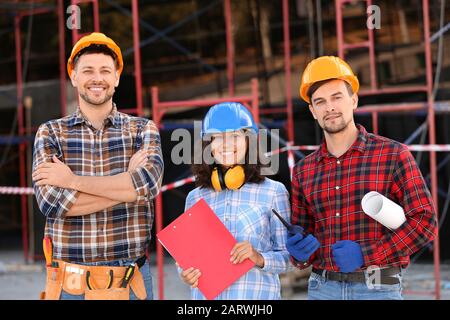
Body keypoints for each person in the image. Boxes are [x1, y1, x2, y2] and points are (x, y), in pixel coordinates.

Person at [287, 56, 437, 300]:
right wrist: (298, 251)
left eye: (337, 97)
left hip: (379, 285)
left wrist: (367, 255)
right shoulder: (304, 171)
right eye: (320, 102)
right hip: (322, 288)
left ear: (353, 100)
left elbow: (425, 223)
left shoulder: (392, 154)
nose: (330, 107)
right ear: (313, 111)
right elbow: (303, 238)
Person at [32, 32, 164, 300]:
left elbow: (147, 186)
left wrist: (73, 181)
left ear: (116, 78)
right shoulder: (51, 133)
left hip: (130, 281)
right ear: (74, 77)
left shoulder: (142, 130)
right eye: (88, 70)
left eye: (105, 70)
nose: (97, 78)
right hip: (70, 286)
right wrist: (126, 182)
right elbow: (53, 204)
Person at [179, 102, 292, 299]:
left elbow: (289, 259)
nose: (226, 144)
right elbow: (187, 259)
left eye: (235, 136)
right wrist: (186, 274)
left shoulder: (274, 192)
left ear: (249, 141)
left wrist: (257, 257)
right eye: (217, 138)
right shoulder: (195, 198)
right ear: (208, 145)